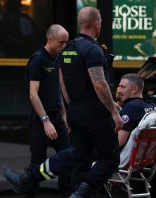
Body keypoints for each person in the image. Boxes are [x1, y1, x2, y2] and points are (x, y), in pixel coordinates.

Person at [3, 73, 156, 196]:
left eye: (123, 87)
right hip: (139, 161)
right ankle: (29, 180)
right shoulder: (151, 106)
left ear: (135, 90)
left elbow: (118, 142)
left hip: (115, 158)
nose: (118, 90)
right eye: (118, 86)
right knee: (73, 156)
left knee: (70, 155)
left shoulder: (130, 109)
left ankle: (28, 179)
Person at [59, 7, 123, 197]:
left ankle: (76, 194)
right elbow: (100, 84)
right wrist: (113, 111)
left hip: (75, 109)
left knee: (82, 160)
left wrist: (72, 108)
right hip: (93, 111)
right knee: (110, 159)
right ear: (96, 23)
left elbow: (62, 82)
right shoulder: (93, 49)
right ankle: (82, 191)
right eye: (101, 21)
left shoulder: (68, 49)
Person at [4, 24, 71, 196]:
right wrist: (45, 120)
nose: (64, 46)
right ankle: (28, 191)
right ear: (50, 39)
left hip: (56, 114)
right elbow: (33, 94)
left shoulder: (55, 58)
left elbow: (56, 88)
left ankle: (68, 192)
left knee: (68, 156)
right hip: (41, 119)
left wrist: (63, 115)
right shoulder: (38, 59)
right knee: (38, 160)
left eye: (66, 43)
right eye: (61, 42)